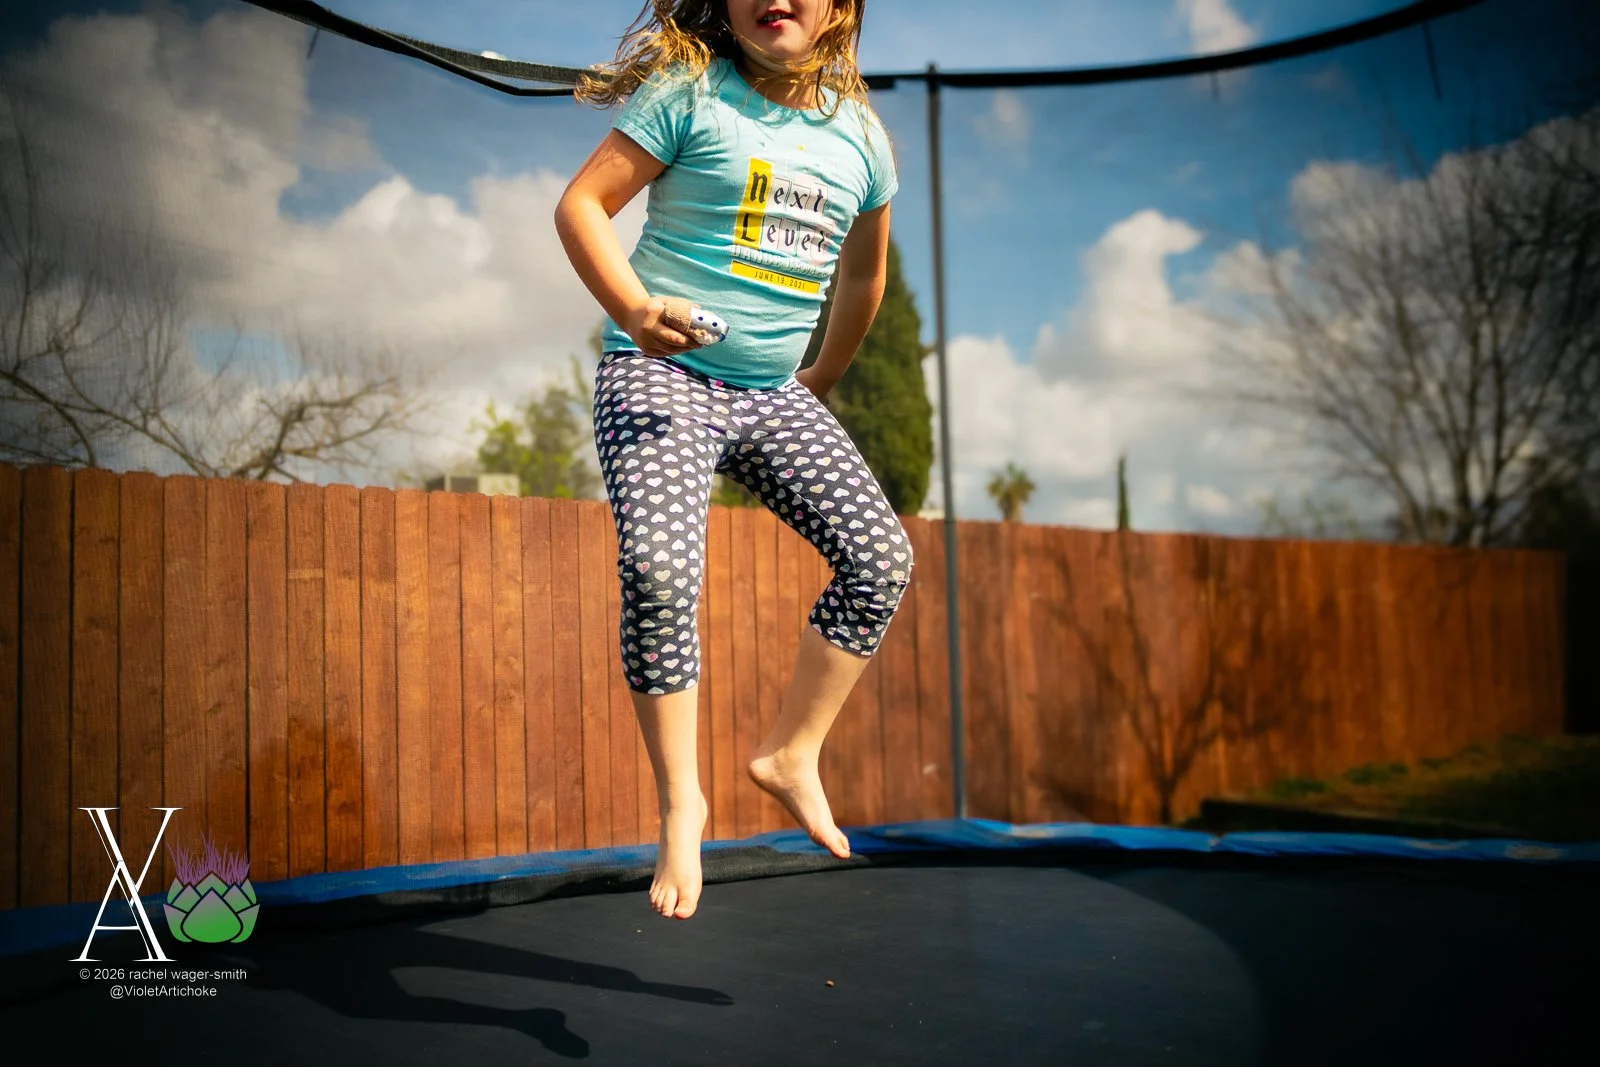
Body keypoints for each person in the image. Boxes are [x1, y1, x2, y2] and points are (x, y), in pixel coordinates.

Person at [554, 0, 910, 920]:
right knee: (659, 568)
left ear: (842, 10)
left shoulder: (862, 139)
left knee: (881, 558)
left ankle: (792, 753)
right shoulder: (689, 94)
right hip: (660, 373)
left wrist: (821, 376)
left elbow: (863, 277)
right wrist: (634, 308)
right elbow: (582, 205)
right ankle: (683, 801)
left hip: (771, 393)